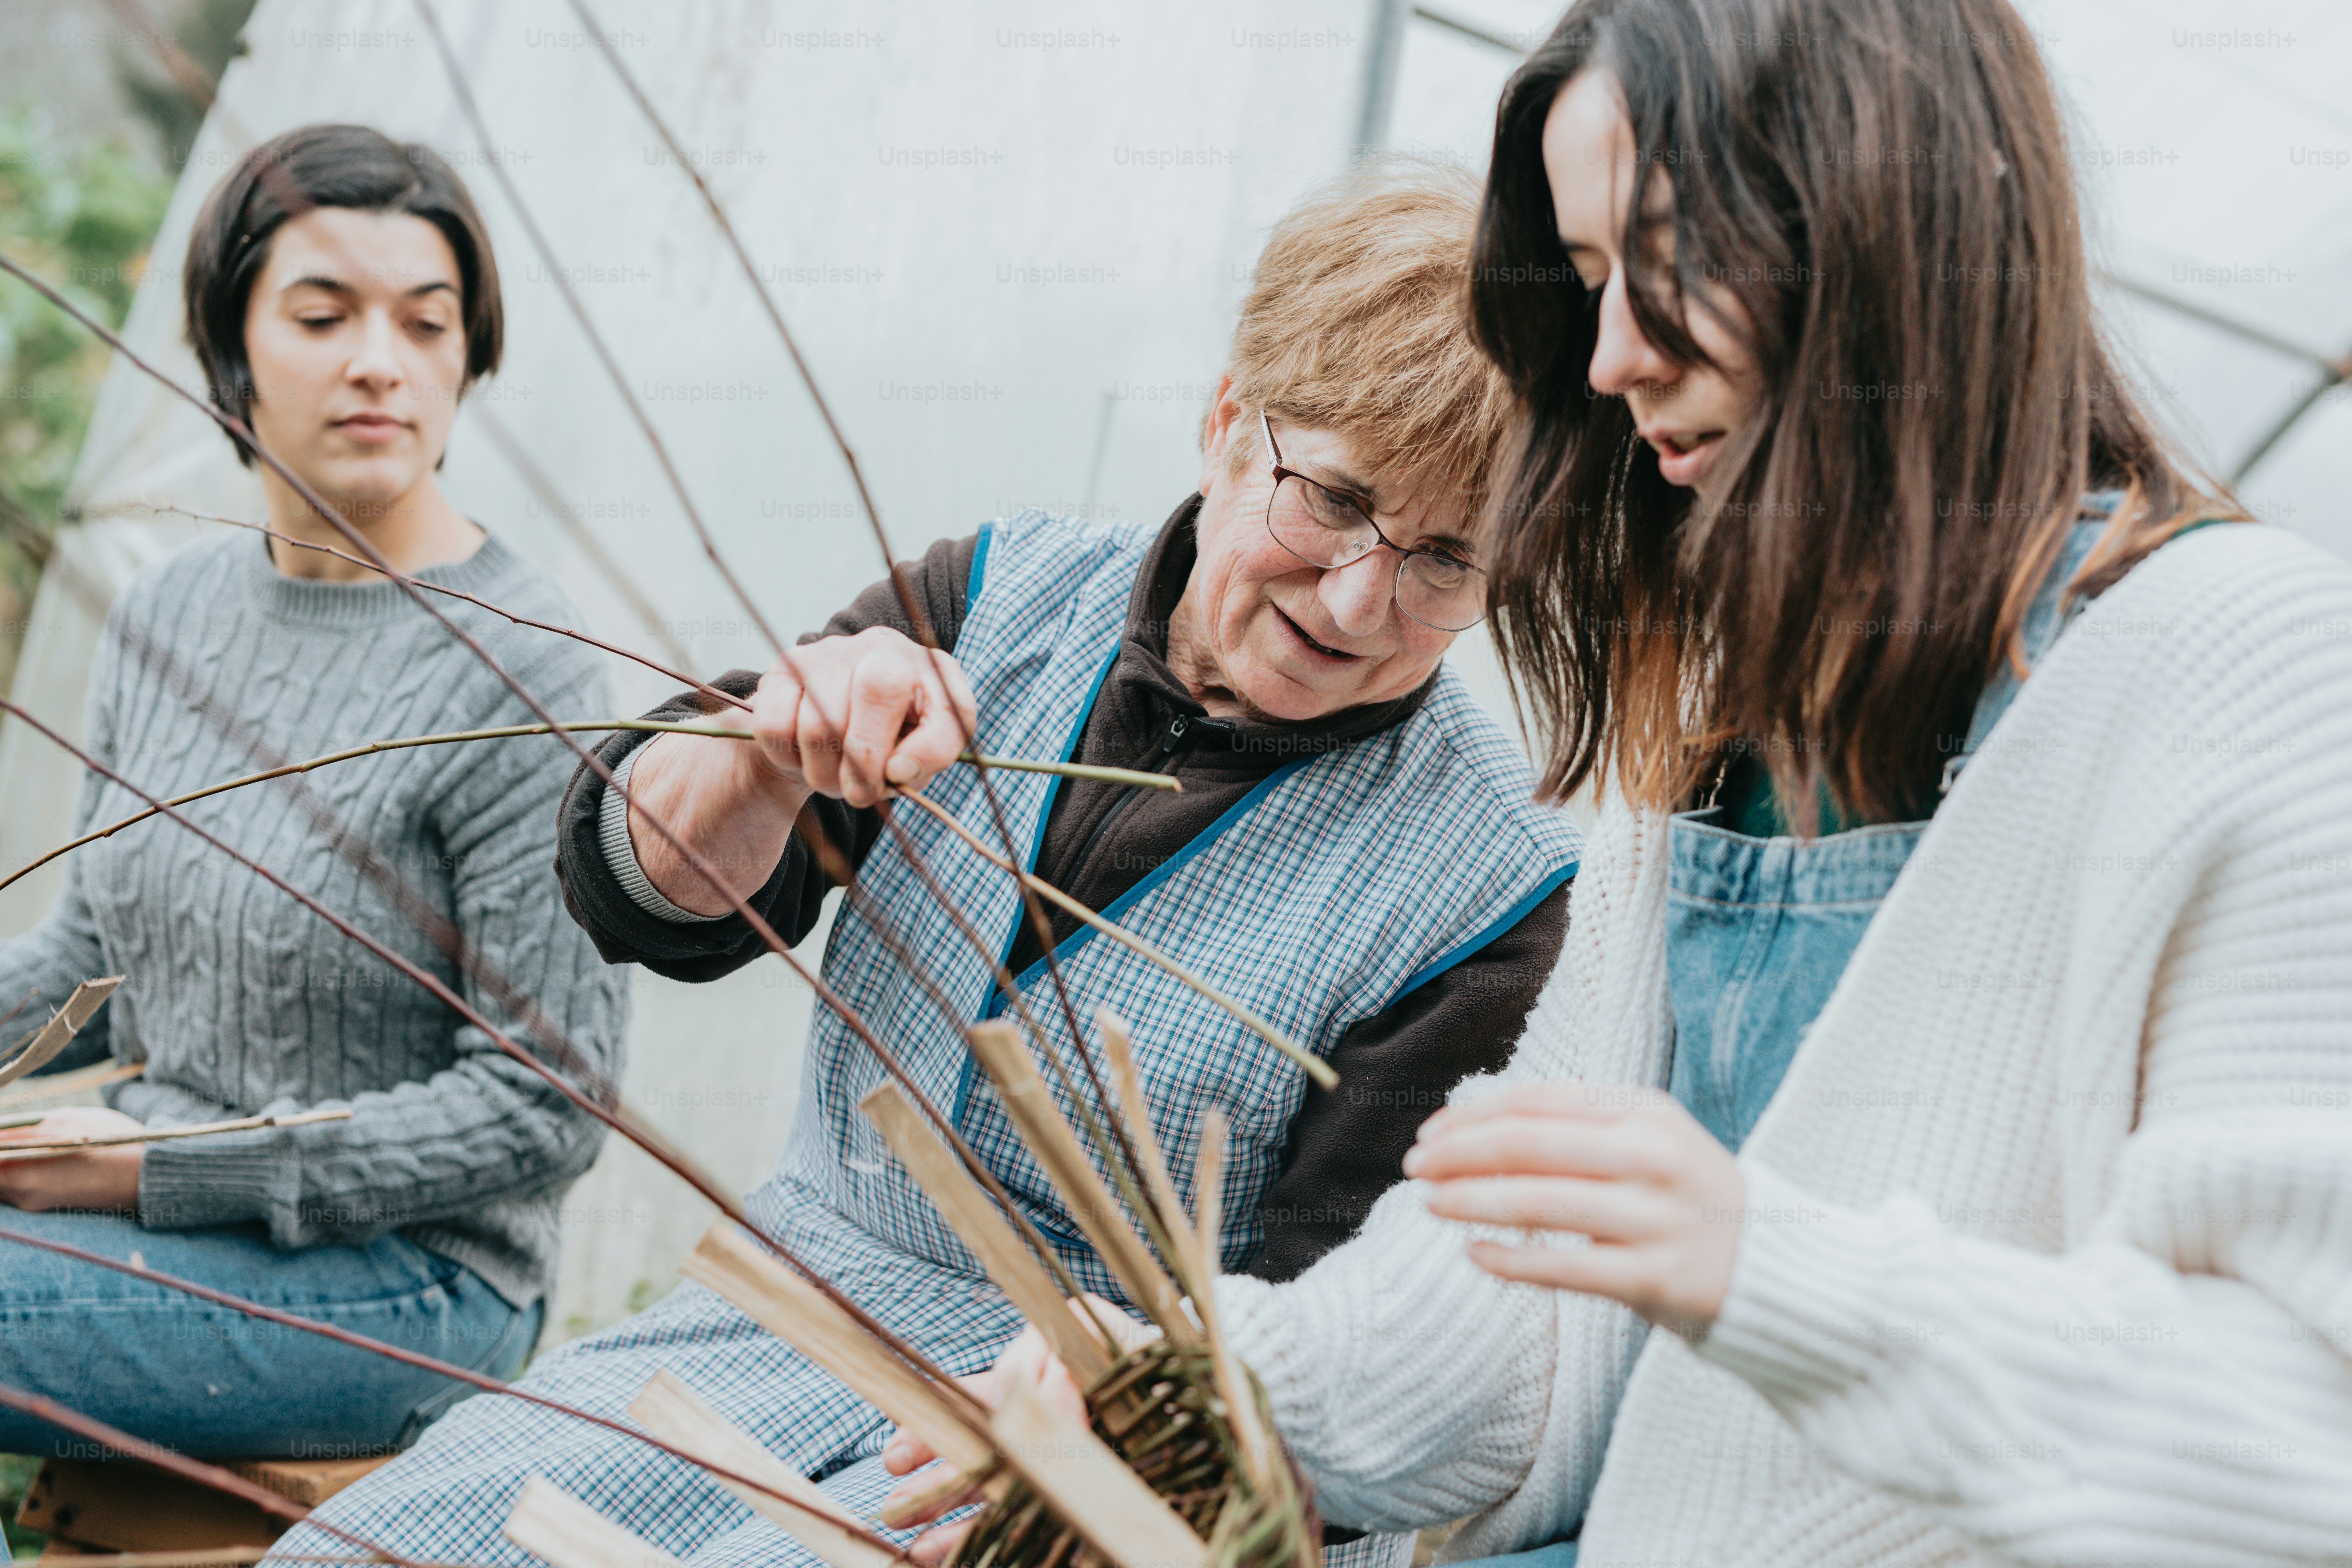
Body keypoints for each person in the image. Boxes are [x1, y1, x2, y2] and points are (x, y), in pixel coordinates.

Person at [896, 0, 2352, 1563]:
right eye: (1589, 283)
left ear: (1884, 222)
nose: (1609, 357)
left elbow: (2297, 1445)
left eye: (1662, 265)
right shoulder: (1729, 718)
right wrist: (1203, 1375)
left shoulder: (2247, 662)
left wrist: (1766, 1268)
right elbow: (1521, 1294)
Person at [274, 169, 1583, 1568]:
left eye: (1449, 557)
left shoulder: (1488, 885)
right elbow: (652, 902)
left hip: (1112, 1458)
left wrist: (1112, 1418)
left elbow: (1342, 1336)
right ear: (1224, 426)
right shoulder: (995, 599)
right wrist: (760, 753)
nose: (1359, 599)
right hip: (781, 1317)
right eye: (1333, 498)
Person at [0, 124, 626, 1458]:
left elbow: (544, 1106)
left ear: (470, 358)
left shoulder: (525, 669)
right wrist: (131, 1169)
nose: (377, 362)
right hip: (150, 1211)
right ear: (234, 350)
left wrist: (157, 1169)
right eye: (323, 314)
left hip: (410, 1285)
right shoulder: (165, 615)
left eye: (426, 322)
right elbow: (88, 954)